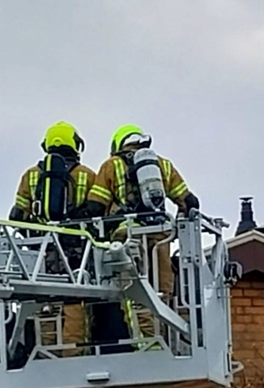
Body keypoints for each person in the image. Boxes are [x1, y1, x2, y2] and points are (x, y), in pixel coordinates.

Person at [84, 124, 201, 344]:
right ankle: (166, 340)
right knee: (162, 291)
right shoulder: (163, 165)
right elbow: (190, 201)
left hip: (127, 237)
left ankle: (145, 343)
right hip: (160, 236)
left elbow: (95, 207)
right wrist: (180, 226)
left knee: (134, 292)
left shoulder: (111, 166)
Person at [8, 121, 96, 357]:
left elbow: (17, 215)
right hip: (76, 250)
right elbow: (100, 210)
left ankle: (47, 350)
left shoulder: (31, 176)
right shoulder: (86, 176)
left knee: (45, 300)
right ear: (75, 144)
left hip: (41, 251)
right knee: (74, 300)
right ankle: (73, 352)